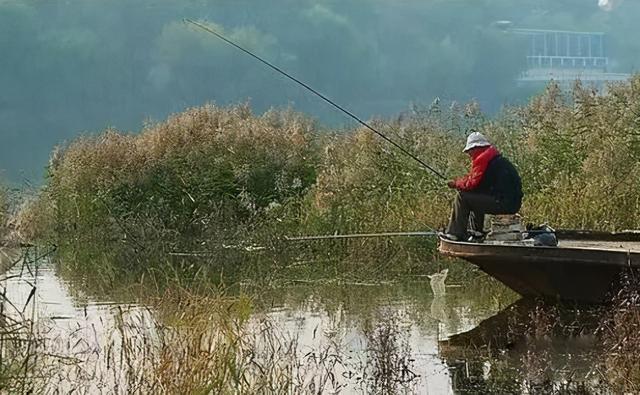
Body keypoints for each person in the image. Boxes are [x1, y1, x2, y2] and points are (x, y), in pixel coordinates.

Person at [443, 131, 522, 241]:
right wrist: (460, 182)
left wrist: (456, 184)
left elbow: (471, 184)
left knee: (463, 197)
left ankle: (455, 233)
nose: (469, 154)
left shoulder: (483, 158)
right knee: (475, 194)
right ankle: (477, 232)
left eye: (469, 151)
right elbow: (476, 183)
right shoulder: (493, 158)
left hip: (504, 203)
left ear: (476, 148)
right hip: (511, 202)